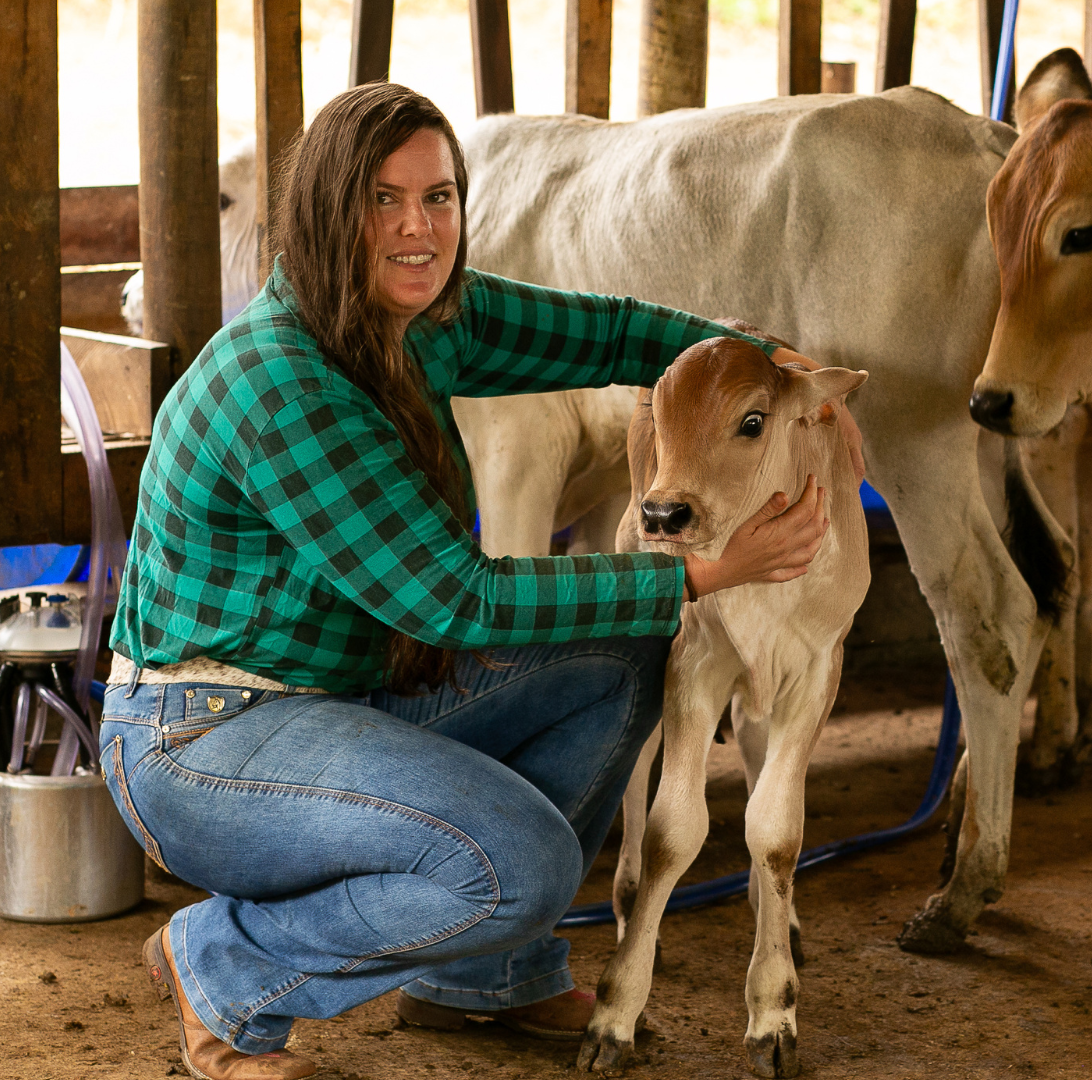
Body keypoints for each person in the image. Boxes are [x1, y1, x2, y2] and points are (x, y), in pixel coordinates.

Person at [101, 81, 855, 1080]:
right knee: (520, 864)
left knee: (621, 649)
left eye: (440, 196)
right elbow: (462, 601)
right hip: (202, 739)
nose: (419, 227)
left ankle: (487, 981)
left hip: (336, 700)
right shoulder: (285, 385)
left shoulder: (414, 321)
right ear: (329, 215)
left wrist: (759, 363)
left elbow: (606, 333)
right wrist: (704, 572)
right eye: (384, 199)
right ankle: (228, 966)